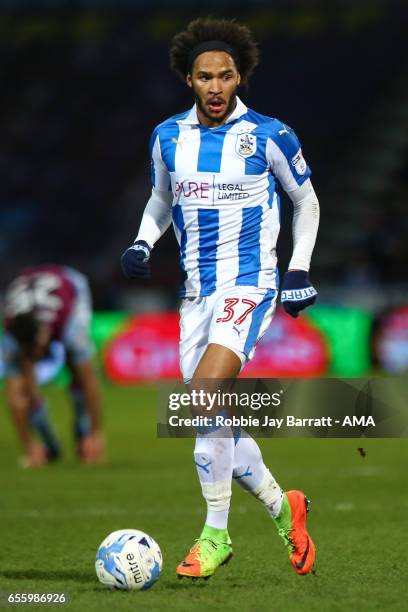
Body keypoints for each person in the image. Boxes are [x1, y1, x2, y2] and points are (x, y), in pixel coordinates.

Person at [121, 18, 319, 578]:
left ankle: (216, 536)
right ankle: (287, 509)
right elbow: (161, 198)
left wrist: (298, 268)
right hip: (195, 293)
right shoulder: (167, 137)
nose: (215, 86)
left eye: (225, 76)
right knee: (213, 424)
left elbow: (307, 204)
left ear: (240, 78)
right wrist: (142, 240)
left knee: (206, 395)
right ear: (189, 79)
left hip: (250, 284)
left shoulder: (271, 135)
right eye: (205, 76)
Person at [1, 264, 105, 467]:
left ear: (43, 337)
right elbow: (14, 398)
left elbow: (91, 381)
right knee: (23, 383)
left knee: (77, 368)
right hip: (25, 289)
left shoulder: (69, 327)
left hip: (69, 286)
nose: (41, 357)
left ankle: (83, 434)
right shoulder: (12, 339)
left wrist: (96, 432)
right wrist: (29, 446)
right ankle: (46, 443)